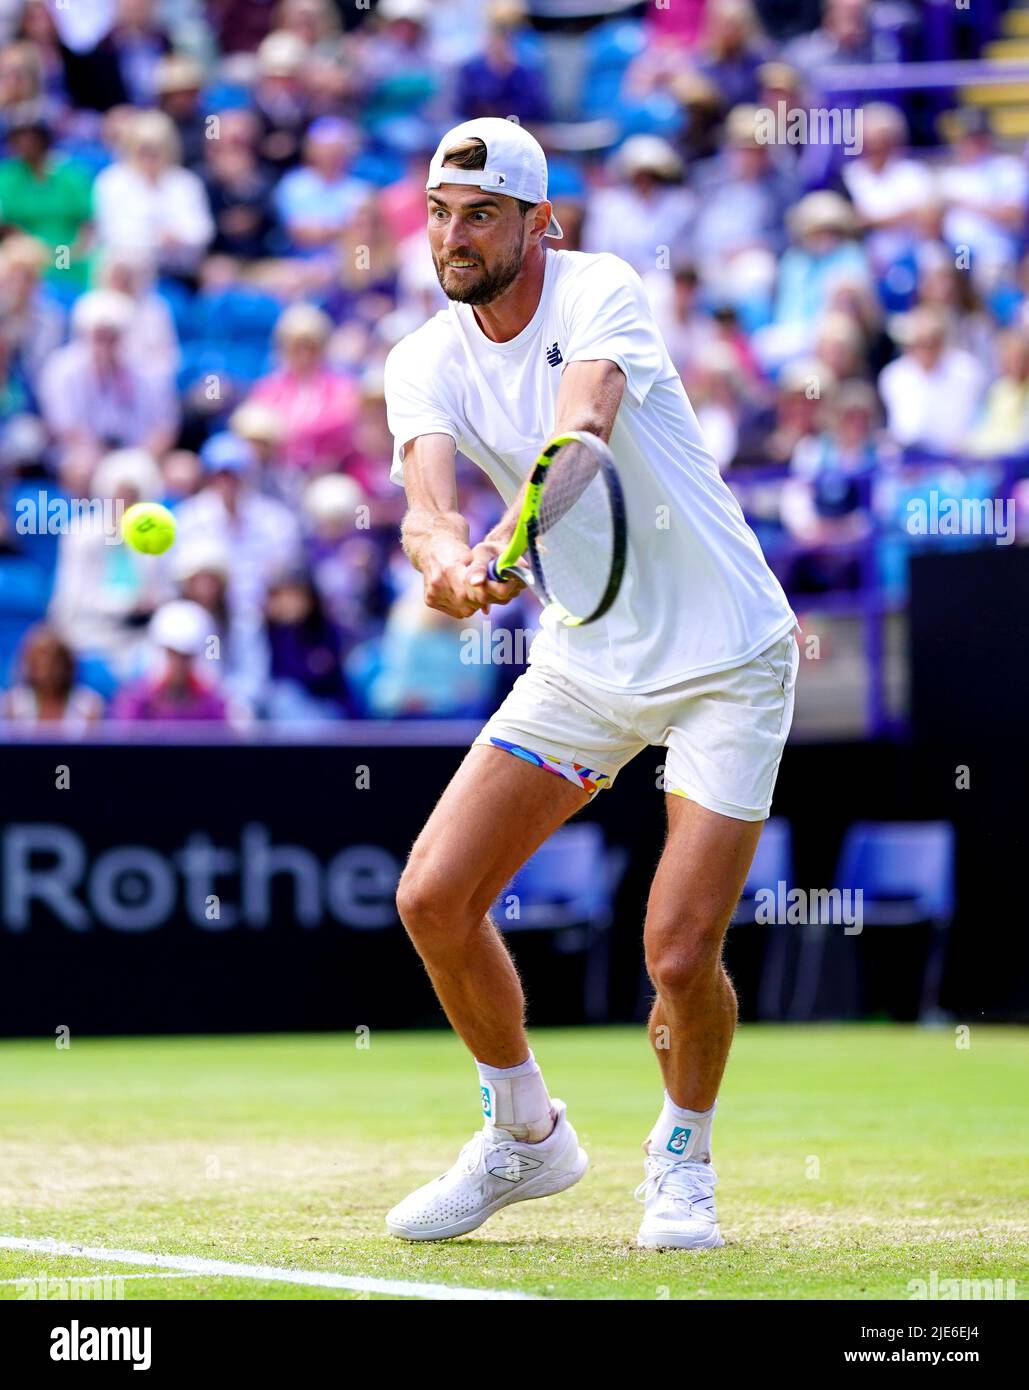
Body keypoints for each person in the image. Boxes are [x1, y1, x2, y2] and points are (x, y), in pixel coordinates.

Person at [381, 118, 799, 1249]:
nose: (453, 235)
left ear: (537, 221)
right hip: (587, 659)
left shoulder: (600, 287)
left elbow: (584, 433)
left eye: (480, 213)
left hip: (728, 658)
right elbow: (426, 509)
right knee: (432, 895)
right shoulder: (420, 358)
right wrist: (445, 566)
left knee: (674, 949)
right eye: (438, 212)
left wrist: (506, 547)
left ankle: (682, 1160)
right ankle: (525, 1133)